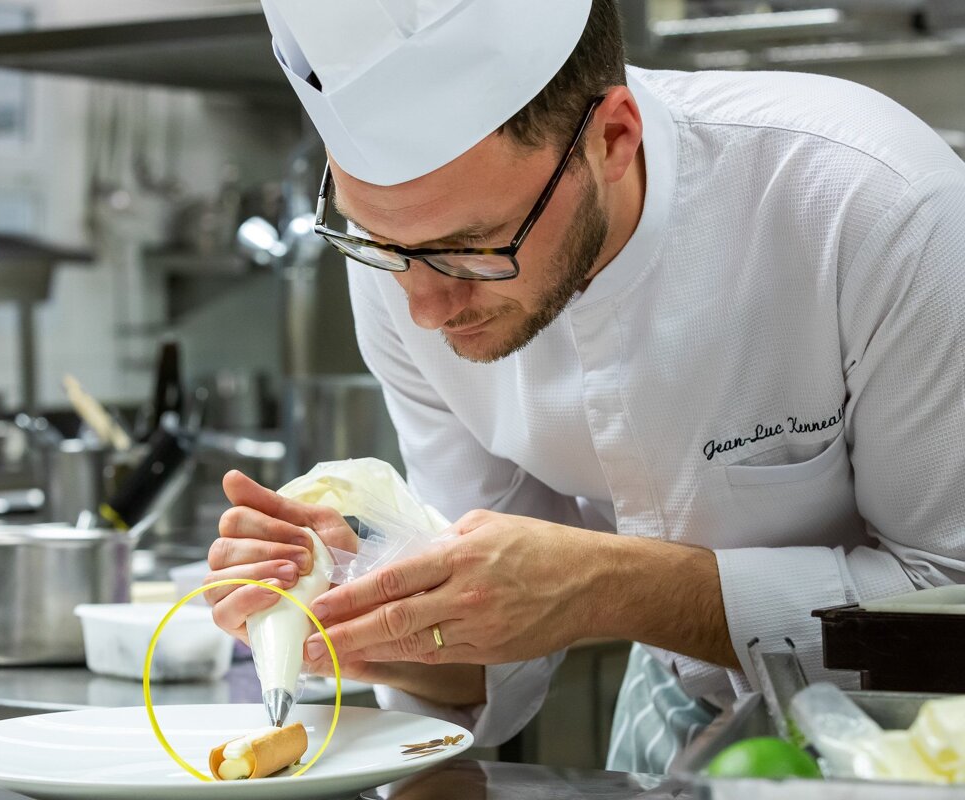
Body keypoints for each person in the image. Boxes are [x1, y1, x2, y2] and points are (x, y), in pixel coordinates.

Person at [204, 0, 965, 772]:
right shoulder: (405, 266)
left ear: (613, 139)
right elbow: (495, 654)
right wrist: (351, 621)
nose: (425, 310)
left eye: (472, 249)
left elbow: (951, 610)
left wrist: (608, 587)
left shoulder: (877, 210)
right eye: (379, 242)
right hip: (691, 721)